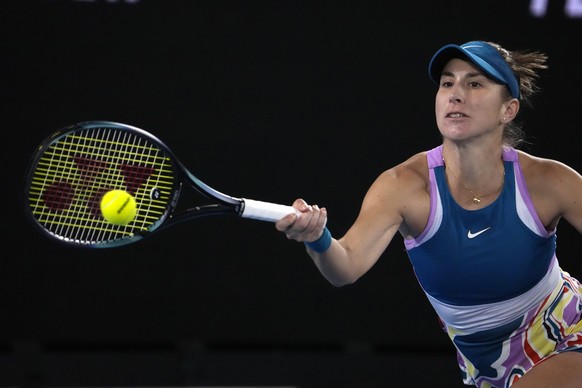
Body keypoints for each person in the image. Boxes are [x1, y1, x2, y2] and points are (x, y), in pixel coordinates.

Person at [275, 40, 582, 387]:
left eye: (475, 83)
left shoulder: (550, 181)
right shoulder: (403, 186)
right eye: (447, 83)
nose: (455, 94)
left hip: (568, 330)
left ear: (507, 110)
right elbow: (344, 267)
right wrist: (317, 238)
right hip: (484, 366)